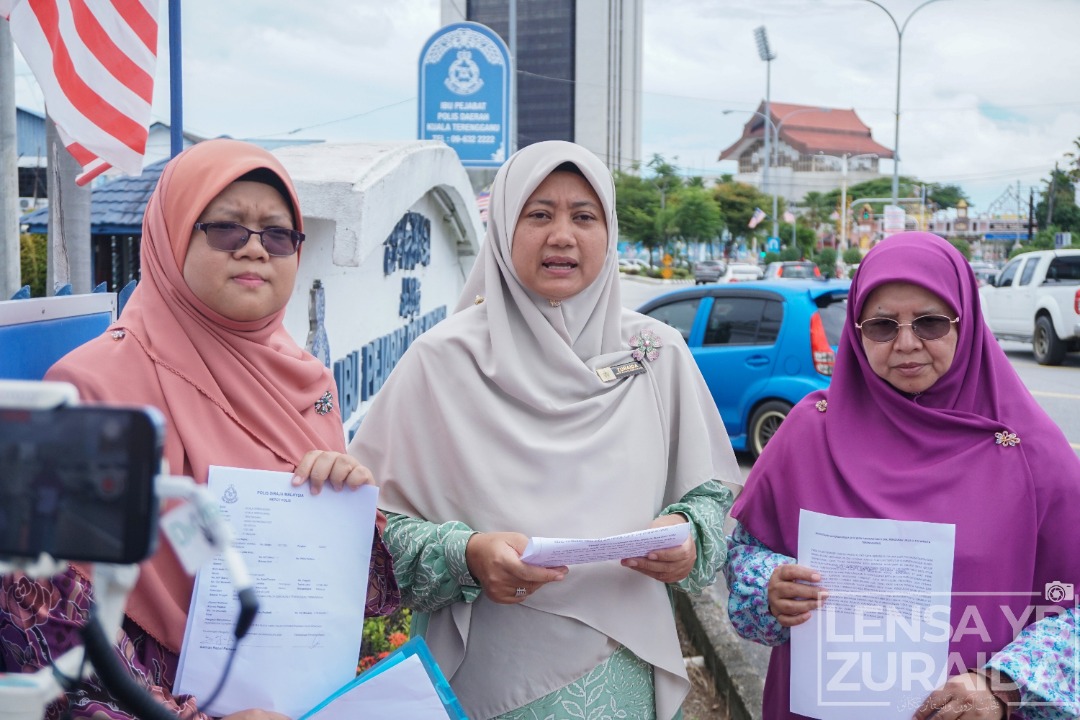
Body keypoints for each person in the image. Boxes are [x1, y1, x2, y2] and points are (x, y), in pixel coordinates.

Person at [0, 139, 399, 720]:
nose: (256, 250)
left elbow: (332, 597)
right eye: (227, 230)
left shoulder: (308, 384)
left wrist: (347, 506)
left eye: (278, 234)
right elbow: (45, 637)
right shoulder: (91, 390)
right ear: (171, 237)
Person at [347, 140, 741, 719]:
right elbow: (373, 528)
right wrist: (468, 554)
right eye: (538, 215)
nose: (562, 235)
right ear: (504, 228)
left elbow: (708, 492)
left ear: (608, 233)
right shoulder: (442, 360)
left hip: (626, 663)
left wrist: (688, 534)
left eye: (584, 216)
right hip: (488, 666)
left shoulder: (655, 353)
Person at [725, 232, 1080, 719]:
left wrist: (1005, 686)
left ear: (967, 322)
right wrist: (769, 586)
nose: (907, 343)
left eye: (931, 323)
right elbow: (745, 553)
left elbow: (1073, 605)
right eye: (882, 326)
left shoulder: (1030, 453)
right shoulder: (810, 434)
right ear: (856, 330)